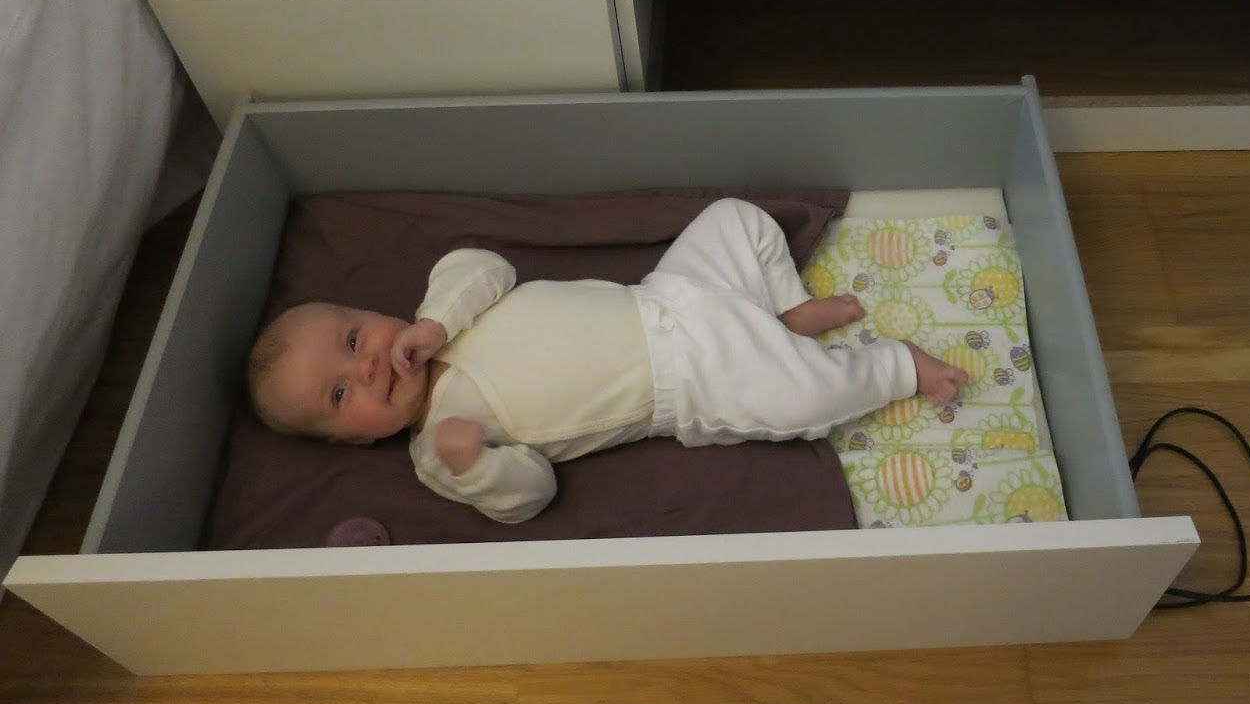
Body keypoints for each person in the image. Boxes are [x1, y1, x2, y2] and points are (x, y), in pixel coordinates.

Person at [247, 198, 969, 523]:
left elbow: (482, 264)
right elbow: (530, 495)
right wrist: (478, 464)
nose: (369, 368)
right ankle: (897, 367)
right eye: (341, 395)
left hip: (672, 292)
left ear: (369, 315)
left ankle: (783, 311)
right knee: (804, 403)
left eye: (352, 342)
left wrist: (436, 323)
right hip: (693, 379)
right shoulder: (442, 447)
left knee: (736, 218)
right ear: (356, 439)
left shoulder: (446, 307)